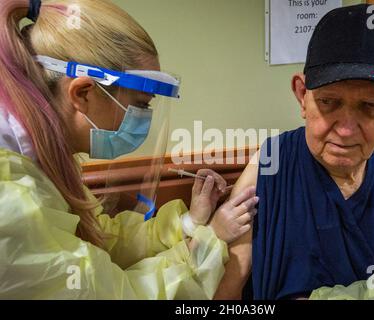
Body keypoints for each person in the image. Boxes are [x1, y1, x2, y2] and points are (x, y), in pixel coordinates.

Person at [0, 0, 258, 299]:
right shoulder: (10, 200)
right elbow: (120, 294)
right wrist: (209, 241)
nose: (144, 119)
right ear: (83, 93)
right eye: (140, 105)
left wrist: (191, 222)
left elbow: (102, 238)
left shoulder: (37, 161)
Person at [214, 4, 374, 300]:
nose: (346, 129)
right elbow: (228, 291)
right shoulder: (271, 164)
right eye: (329, 102)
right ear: (302, 96)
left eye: (370, 106)